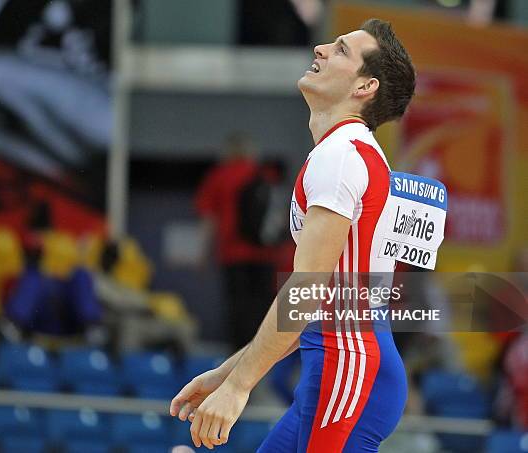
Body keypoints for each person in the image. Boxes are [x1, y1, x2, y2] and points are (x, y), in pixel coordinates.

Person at [171, 19, 418, 451]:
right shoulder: (349, 152)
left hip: (347, 364)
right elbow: (325, 304)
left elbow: (307, 288)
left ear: (365, 86)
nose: (321, 48)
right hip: (348, 357)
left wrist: (239, 387)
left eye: (341, 50)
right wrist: (228, 373)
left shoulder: (340, 157)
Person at [195, 133, 278, 350]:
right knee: (263, 308)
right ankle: (263, 354)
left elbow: (209, 218)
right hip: (265, 253)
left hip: (233, 253)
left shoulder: (219, 176)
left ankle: (237, 358)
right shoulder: (263, 174)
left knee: (237, 308)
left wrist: (202, 253)